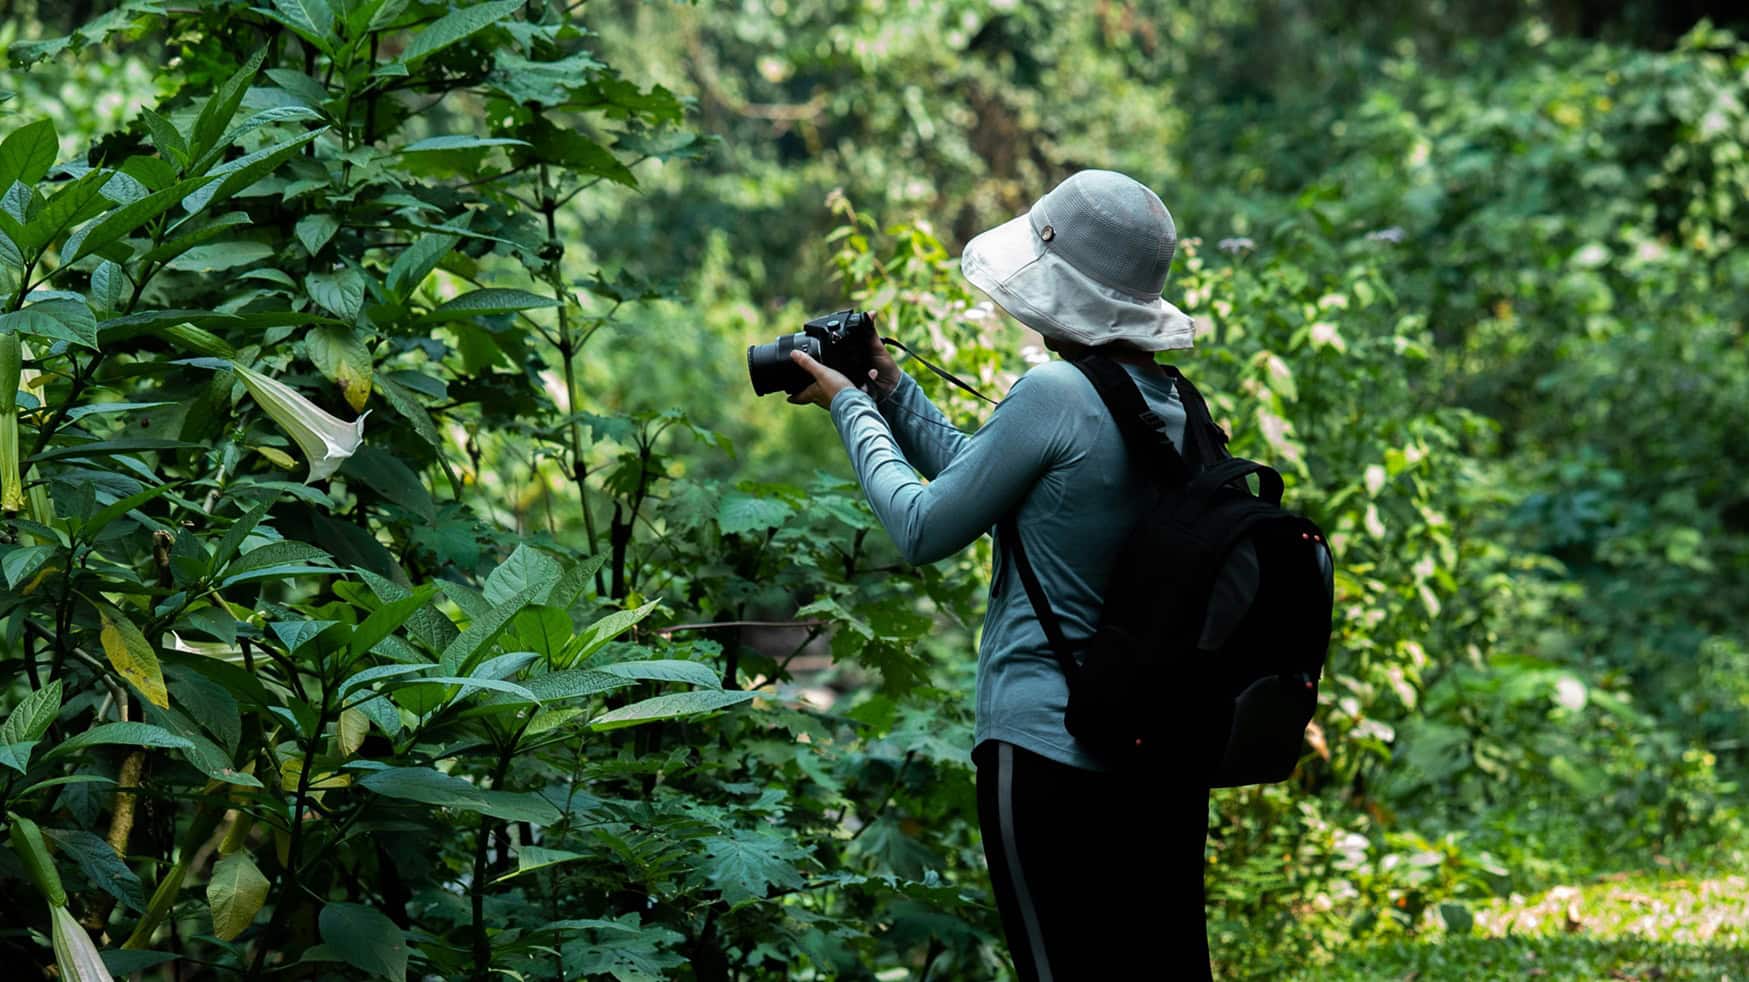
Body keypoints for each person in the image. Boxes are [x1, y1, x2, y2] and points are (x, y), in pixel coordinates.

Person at [785, 170, 1213, 980]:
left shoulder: (1055, 391)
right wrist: (891, 386)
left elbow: (920, 525)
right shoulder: (1171, 402)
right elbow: (984, 480)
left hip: (1049, 747)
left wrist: (849, 404)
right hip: (1153, 752)